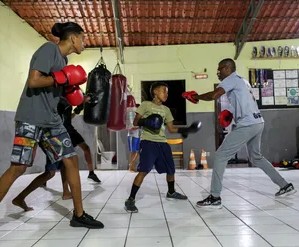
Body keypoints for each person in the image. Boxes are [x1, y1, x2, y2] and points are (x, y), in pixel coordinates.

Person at [0, 22, 104, 243]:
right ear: (73, 38)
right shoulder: (49, 49)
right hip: (30, 118)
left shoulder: (64, 61)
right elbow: (34, 81)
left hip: (52, 120)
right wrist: (63, 79)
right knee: (19, 167)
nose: (84, 43)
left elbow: (53, 91)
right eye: (82, 39)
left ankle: (79, 215)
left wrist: (73, 94)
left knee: (71, 160)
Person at [190, 58, 296, 209]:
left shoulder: (231, 79)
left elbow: (214, 95)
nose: (218, 72)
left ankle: (215, 197)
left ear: (227, 68)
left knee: (221, 155)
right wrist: (232, 113)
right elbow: (245, 101)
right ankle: (285, 185)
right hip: (258, 122)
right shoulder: (243, 81)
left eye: (220, 69)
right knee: (256, 157)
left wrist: (196, 97)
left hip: (247, 124)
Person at [12, 96, 101, 212]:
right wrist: (82, 100)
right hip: (54, 134)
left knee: (69, 160)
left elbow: (69, 116)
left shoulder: (68, 99)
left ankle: (71, 193)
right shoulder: (57, 97)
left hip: (66, 131)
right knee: (50, 173)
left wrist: (80, 106)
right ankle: (20, 197)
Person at [124, 82, 202, 213]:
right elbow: (135, 122)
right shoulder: (145, 105)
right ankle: (130, 199)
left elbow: (171, 129)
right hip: (148, 142)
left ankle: (171, 192)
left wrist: (186, 129)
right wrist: (148, 122)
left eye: (167, 92)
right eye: (163, 91)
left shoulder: (166, 110)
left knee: (171, 169)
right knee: (143, 170)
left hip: (162, 143)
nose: (166, 94)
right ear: (155, 91)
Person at [128, 104, 141, 172]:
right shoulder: (131, 115)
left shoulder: (138, 116)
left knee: (139, 152)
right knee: (133, 152)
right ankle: (131, 167)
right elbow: (130, 125)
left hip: (138, 135)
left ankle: (132, 165)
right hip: (132, 135)